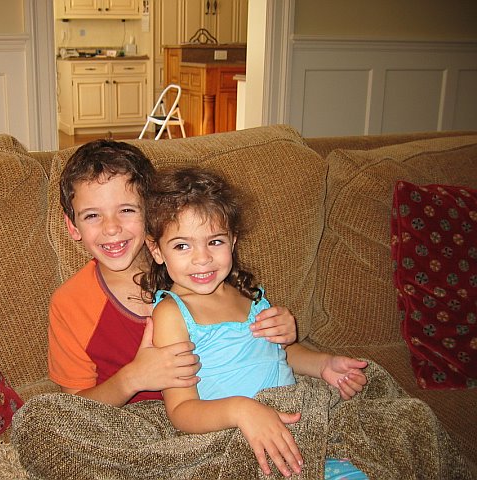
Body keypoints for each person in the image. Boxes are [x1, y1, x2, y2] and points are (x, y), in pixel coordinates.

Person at [140, 166, 369, 479]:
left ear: (233, 241)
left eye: (215, 242)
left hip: (293, 423)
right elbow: (181, 411)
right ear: (156, 250)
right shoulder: (172, 313)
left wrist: (323, 364)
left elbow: (277, 353)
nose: (202, 258)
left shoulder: (250, 296)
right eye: (182, 245)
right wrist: (241, 410)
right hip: (237, 437)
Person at [48, 139, 298, 406]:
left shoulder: (195, 269)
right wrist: (131, 379)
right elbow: (74, 408)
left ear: (153, 213)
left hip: (215, 407)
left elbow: (248, 349)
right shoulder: (70, 304)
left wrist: (281, 334)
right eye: (92, 216)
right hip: (131, 419)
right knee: (42, 413)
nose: (111, 228)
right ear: (72, 226)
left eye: (127, 210)